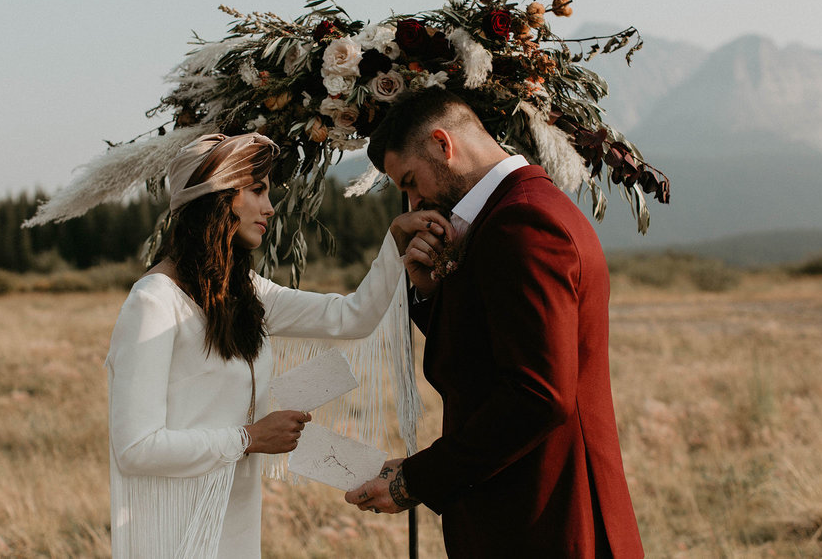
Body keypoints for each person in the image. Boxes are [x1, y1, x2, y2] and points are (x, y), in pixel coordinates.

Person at [106, 132, 451, 558]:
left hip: (235, 522)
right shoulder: (153, 302)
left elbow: (352, 317)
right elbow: (136, 449)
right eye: (256, 191)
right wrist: (247, 438)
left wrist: (395, 241)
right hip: (171, 529)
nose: (270, 207)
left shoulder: (247, 292)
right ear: (216, 198)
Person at [345, 89, 644, 557]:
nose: (412, 202)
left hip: (548, 519)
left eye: (409, 181)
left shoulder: (521, 223)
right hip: (525, 512)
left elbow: (538, 396)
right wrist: (429, 292)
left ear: (443, 144)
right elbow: (487, 355)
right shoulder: (514, 211)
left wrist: (416, 480)